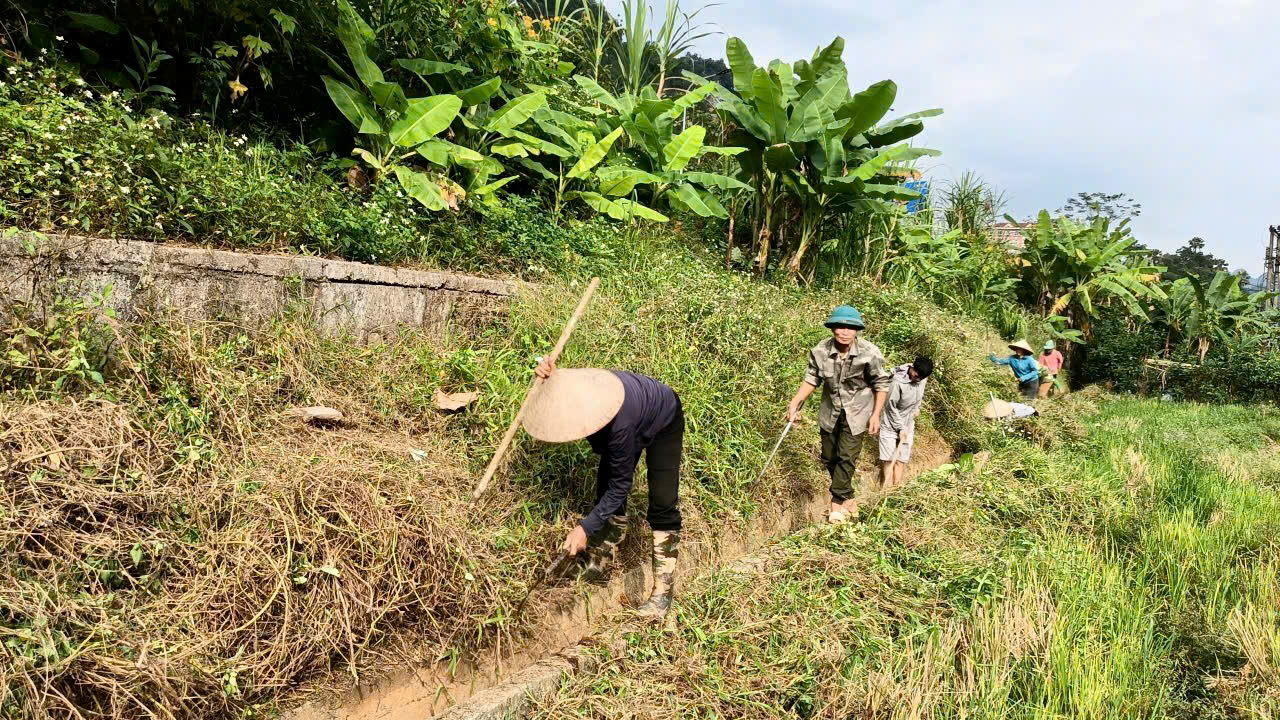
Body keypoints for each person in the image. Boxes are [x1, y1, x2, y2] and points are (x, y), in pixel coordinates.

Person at [524, 358, 683, 619]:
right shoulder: (581, 389)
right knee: (604, 485)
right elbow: (560, 378)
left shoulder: (619, 428)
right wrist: (549, 374)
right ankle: (599, 566)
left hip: (664, 415)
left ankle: (662, 596)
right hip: (631, 411)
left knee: (662, 502)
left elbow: (621, 486)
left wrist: (584, 528)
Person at [785, 305, 891, 524]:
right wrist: (795, 402)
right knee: (829, 457)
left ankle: (836, 505)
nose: (844, 332)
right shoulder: (820, 351)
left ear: (857, 331)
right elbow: (812, 379)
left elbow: (881, 385)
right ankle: (849, 497)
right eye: (840, 327)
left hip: (858, 412)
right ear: (832, 328)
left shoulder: (870, 353)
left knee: (846, 457)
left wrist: (875, 415)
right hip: (830, 411)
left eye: (850, 328)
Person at [878, 356, 933, 490]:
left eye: (920, 379)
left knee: (901, 459)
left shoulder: (922, 378)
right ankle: (887, 491)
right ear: (912, 368)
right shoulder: (897, 382)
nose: (917, 380)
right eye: (916, 376)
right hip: (890, 423)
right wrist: (900, 427)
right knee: (889, 459)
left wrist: (916, 409)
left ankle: (897, 490)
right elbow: (890, 406)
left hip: (908, 423)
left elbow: (920, 395)